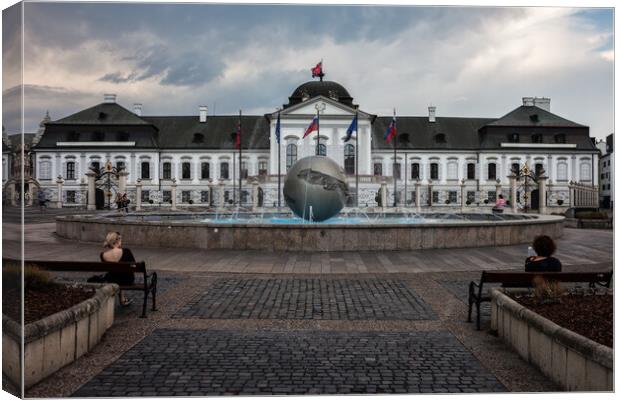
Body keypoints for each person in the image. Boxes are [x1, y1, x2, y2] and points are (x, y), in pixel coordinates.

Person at [100, 232, 136, 306]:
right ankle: (122, 300)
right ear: (118, 240)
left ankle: (122, 299)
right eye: (121, 239)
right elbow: (134, 266)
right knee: (121, 274)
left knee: (116, 274)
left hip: (112, 280)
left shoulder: (103, 255)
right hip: (127, 280)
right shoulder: (126, 251)